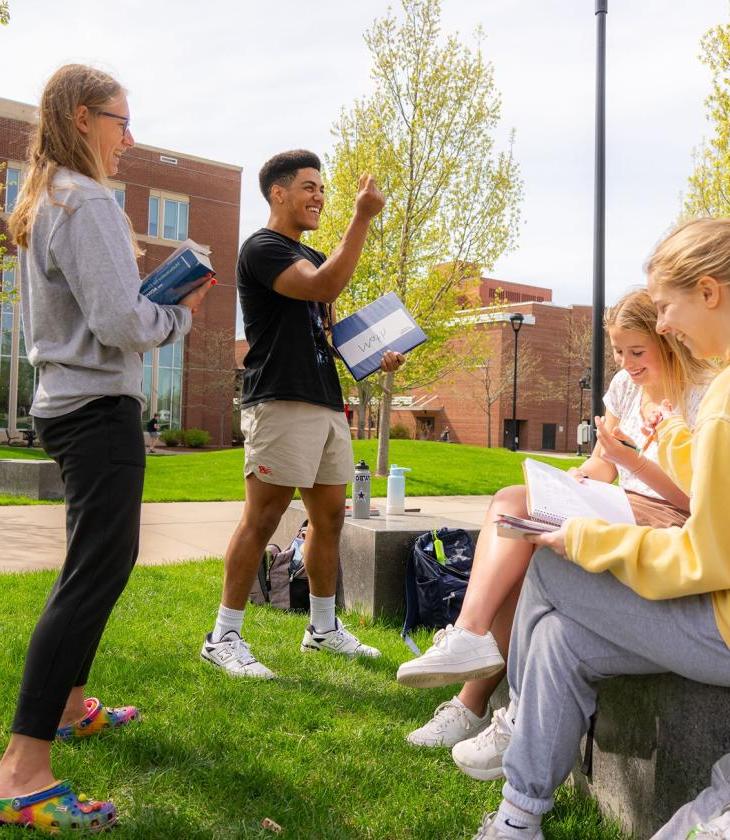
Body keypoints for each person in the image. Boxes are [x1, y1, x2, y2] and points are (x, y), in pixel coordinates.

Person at [466, 217, 730, 839]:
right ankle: (520, 814)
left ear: (711, 292)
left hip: (719, 624)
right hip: (713, 611)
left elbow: (707, 558)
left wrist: (584, 539)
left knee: (550, 558)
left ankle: (503, 704)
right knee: (559, 636)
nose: (664, 325)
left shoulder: (719, 403)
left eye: (667, 308)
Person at [0, 64, 213, 833]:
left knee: (89, 563)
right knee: (96, 572)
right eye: (123, 120)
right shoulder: (86, 200)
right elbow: (124, 324)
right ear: (86, 117)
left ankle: (66, 708)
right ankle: (23, 769)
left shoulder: (48, 196)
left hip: (65, 405)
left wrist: (142, 300)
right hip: (96, 409)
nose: (131, 135)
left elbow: (102, 309)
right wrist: (181, 311)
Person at [398, 288, 712, 769]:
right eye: (619, 352)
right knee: (513, 510)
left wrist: (632, 463)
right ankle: (469, 643)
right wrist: (566, 484)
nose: (626, 363)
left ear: (666, 340)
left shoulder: (701, 393)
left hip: (665, 520)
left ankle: (475, 702)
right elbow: (602, 466)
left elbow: (696, 503)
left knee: (534, 548)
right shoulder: (627, 389)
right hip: (616, 504)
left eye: (637, 351)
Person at [201, 150, 404, 678]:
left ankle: (323, 629)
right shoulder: (263, 249)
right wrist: (361, 218)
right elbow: (322, 287)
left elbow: (326, 328)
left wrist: (372, 354)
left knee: (330, 518)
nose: (319, 197)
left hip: (323, 399)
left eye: (323, 189)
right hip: (280, 399)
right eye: (309, 187)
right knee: (263, 516)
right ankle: (223, 635)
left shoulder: (310, 253)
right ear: (278, 193)